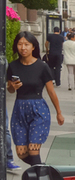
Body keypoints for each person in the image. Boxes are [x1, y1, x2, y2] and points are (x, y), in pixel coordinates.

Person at [7, 31, 64, 166]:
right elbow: (9, 90)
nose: (23, 48)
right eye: (20, 44)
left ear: (33, 47)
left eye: (27, 44)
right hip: (19, 110)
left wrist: (59, 113)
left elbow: (51, 91)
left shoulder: (42, 66)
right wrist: (12, 87)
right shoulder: (13, 66)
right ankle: (43, 170)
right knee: (21, 153)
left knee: (33, 149)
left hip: (38, 110)